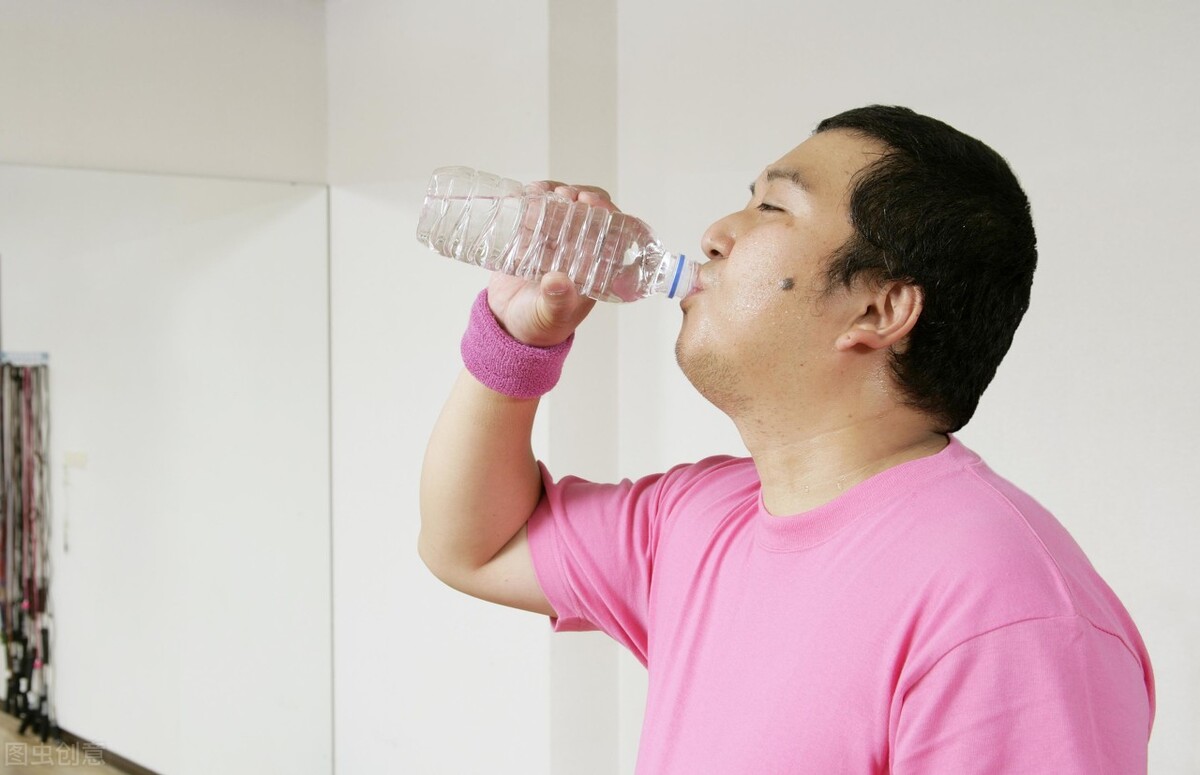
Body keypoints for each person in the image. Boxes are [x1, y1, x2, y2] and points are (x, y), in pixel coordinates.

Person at [419, 105, 1155, 773]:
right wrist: (515, 337)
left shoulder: (1007, 613)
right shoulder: (698, 519)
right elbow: (474, 547)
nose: (716, 234)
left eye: (771, 207)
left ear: (878, 309)